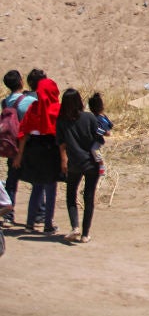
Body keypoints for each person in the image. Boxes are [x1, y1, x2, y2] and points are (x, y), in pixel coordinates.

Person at [13, 74, 61, 234]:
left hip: (33, 149)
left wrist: (19, 155)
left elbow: (23, 132)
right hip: (50, 149)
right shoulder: (56, 108)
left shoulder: (33, 107)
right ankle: (48, 224)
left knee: (37, 186)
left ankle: (29, 224)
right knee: (51, 187)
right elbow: (61, 134)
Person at [55, 88, 102, 244]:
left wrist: (63, 161)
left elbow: (61, 145)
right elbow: (100, 138)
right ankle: (85, 234)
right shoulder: (89, 118)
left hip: (73, 163)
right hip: (91, 163)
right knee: (88, 198)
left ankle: (75, 226)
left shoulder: (61, 121)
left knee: (71, 195)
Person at [2, 69, 35, 227]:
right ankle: (38, 215)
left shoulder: (5, 101)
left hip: (11, 145)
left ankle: (8, 215)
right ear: (21, 81)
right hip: (27, 145)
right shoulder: (28, 101)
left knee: (12, 179)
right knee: (37, 179)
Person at [87, 92, 112, 176]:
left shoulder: (97, 118)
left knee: (94, 150)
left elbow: (97, 130)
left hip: (96, 139)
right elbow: (110, 125)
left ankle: (101, 166)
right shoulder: (103, 116)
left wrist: (104, 132)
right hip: (96, 138)